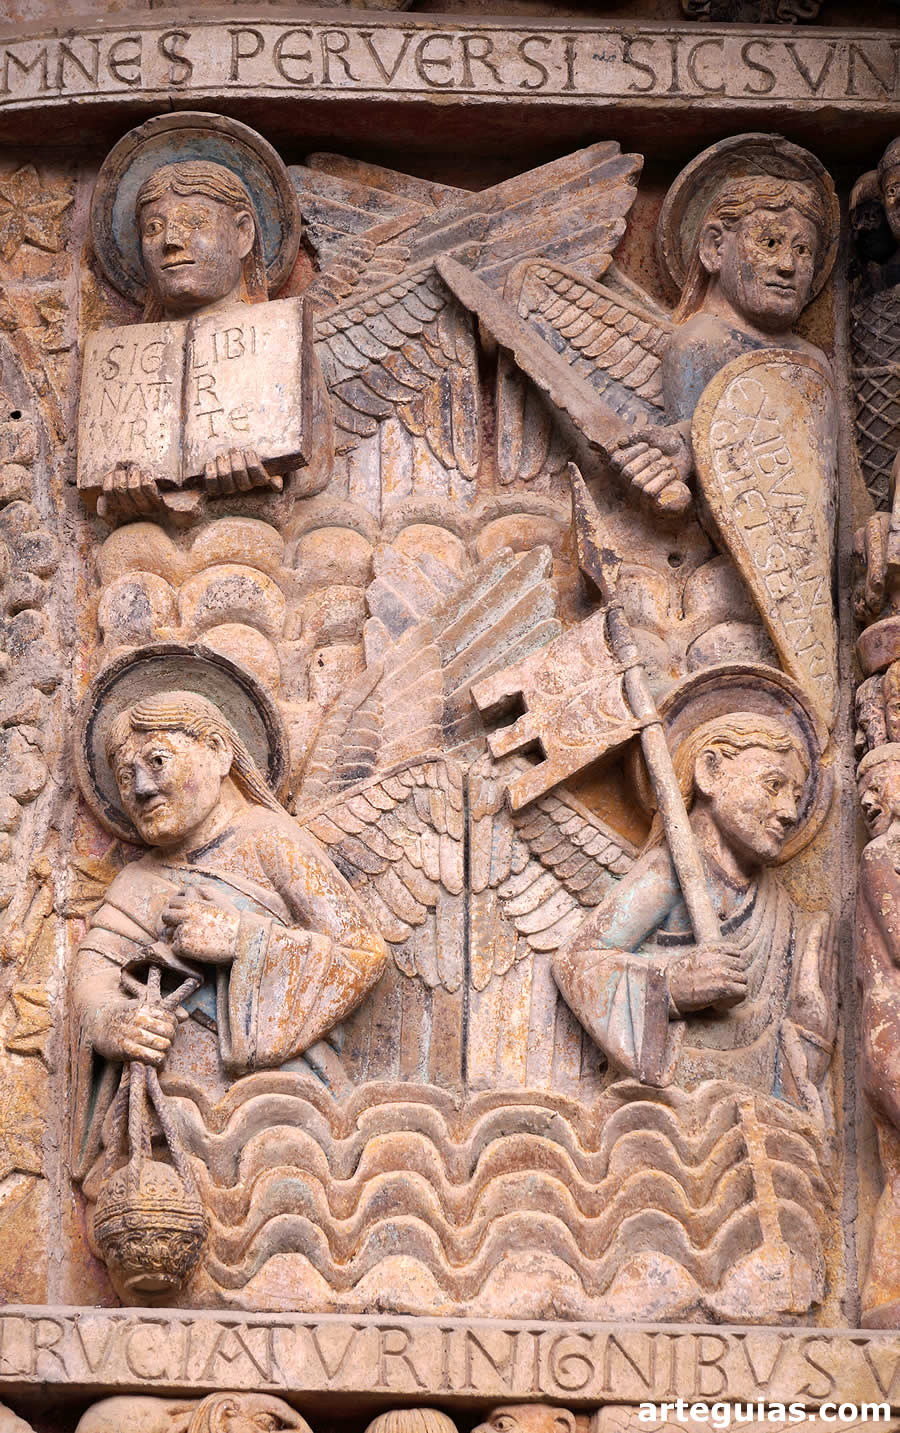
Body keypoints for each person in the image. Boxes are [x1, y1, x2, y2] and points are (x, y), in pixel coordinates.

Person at [70, 687, 387, 1190]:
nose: (142, 789)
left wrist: (242, 941)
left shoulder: (269, 840)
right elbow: (93, 972)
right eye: (126, 777)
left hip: (277, 1107)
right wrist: (112, 1021)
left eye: (158, 762)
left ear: (219, 752)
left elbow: (363, 953)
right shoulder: (135, 883)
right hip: (168, 1116)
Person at [553, 711, 835, 1117]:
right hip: (673, 1110)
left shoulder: (782, 911)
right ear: (710, 772)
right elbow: (577, 962)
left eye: (795, 795)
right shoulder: (669, 872)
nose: (789, 811)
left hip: (757, 1110)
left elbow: (792, 1039)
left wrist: (808, 1025)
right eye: (773, 785)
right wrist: (671, 987)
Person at [608, 171, 832, 507]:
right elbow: (705, 472)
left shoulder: (815, 361)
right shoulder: (702, 343)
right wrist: (682, 452)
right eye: (770, 243)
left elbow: (830, 481)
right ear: (715, 247)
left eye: (802, 250)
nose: (788, 265)